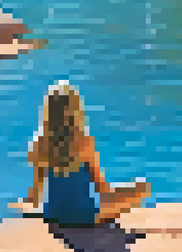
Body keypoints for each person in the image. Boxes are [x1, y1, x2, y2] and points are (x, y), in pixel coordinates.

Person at [15, 81, 150, 227]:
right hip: (85, 216)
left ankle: (108, 215)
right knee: (142, 187)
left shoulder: (39, 143)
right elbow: (101, 188)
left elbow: (36, 191)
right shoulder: (84, 140)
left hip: (53, 214)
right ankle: (109, 217)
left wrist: (25, 204)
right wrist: (122, 193)